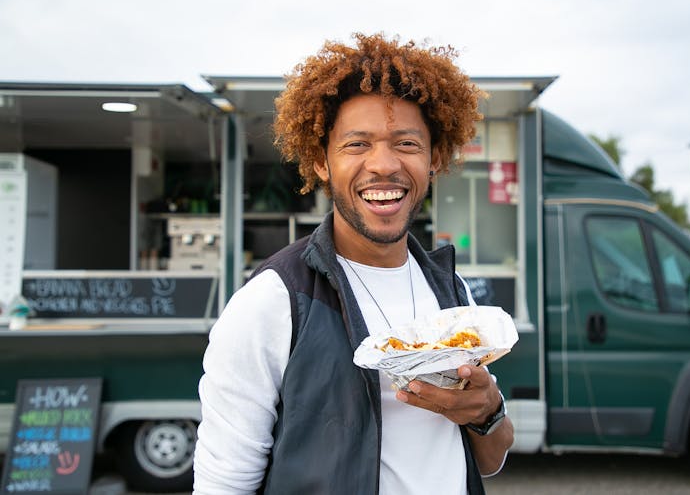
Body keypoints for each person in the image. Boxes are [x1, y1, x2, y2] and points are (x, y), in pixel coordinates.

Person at [193, 32, 514, 495]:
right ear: (321, 161)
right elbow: (223, 483)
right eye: (357, 144)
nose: (383, 165)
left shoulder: (453, 293)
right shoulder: (275, 300)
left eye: (406, 143)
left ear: (434, 158)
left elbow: (489, 462)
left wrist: (488, 411)